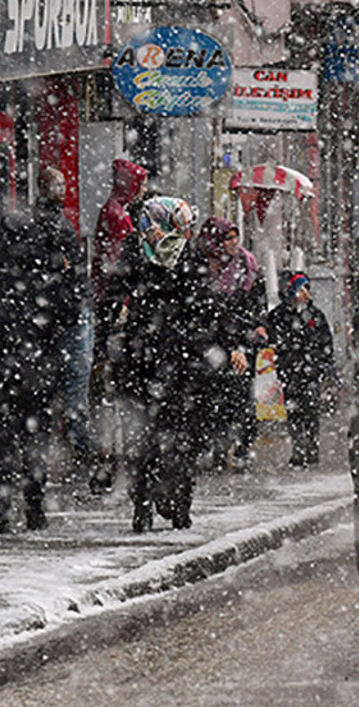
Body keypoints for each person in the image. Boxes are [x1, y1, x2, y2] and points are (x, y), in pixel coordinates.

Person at [0, 172, 83, 533]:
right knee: (35, 437)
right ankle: (34, 508)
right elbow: (70, 310)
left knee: (2, 439)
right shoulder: (45, 275)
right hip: (37, 365)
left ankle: (0, 511)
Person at [103, 196, 225, 532]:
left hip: (144, 359)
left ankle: (147, 503)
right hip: (176, 363)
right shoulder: (185, 255)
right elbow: (204, 307)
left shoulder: (137, 251)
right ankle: (172, 501)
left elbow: (112, 297)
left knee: (143, 435)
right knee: (179, 435)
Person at [88, 158, 148, 492]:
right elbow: (116, 267)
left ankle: (109, 459)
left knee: (109, 390)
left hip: (108, 309)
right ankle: (110, 460)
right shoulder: (119, 217)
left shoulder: (113, 211)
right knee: (113, 392)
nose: (143, 190)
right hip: (115, 314)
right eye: (140, 183)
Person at [194, 216, 266, 469]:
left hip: (243, 341)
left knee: (241, 396)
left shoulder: (246, 264)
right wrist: (229, 345)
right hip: (213, 343)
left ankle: (242, 447)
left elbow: (257, 301)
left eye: (236, 237)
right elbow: (208, 313)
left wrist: (258, 327)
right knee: (213, 398)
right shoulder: (202, 266)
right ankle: (216, 449)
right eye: (227, 238)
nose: (234, 242)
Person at [39, 168, 95, 480]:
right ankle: (82, 450)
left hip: (62, 313)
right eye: (56, 184)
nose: (61, 188)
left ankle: (70, 447)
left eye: (62, 183)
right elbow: (65, 268)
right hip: (68, 314)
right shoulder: (52, 223)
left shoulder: (51, 220)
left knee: (64, 385)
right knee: (75, 384)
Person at [261, 271, 336, 471]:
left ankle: (311, 449)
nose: (306, 294)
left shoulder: (315, 315)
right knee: (293, 412)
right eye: (301, 289)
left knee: (310, 411)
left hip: (310, 372)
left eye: (307, 289)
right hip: (290, 372)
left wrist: (325, 367)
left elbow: (325, 342)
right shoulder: (278, 316)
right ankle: (298, 449)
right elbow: (271, 336)